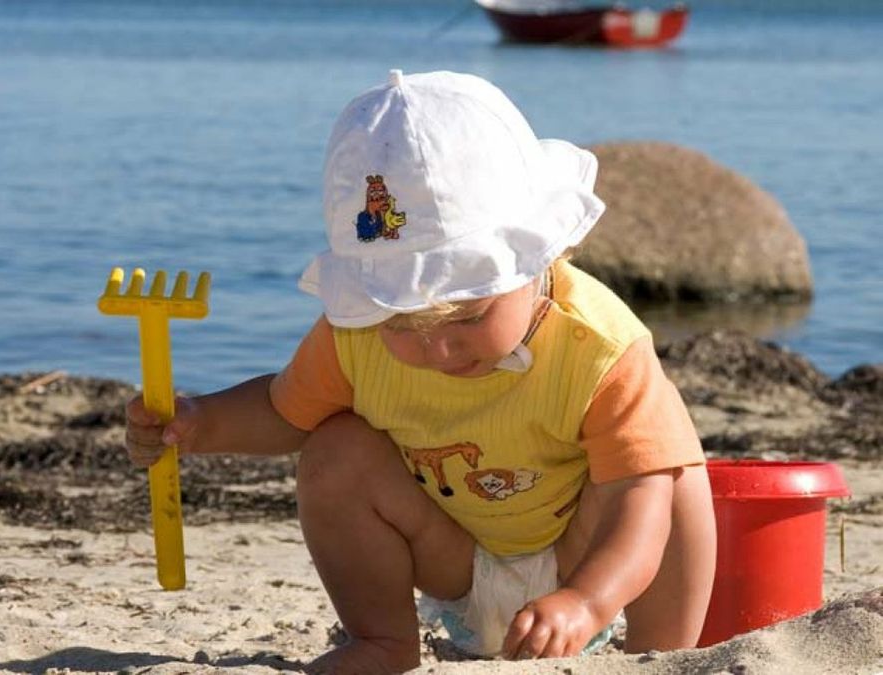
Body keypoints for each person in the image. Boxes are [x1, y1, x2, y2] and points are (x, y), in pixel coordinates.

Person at [125, 69, 716, 674]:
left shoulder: (600, 346)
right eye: (401, 326)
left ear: (541, 257)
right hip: (455, 560)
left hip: (589, 559)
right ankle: (383, 641)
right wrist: (198, 425)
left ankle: (661, 655)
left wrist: (588, 599)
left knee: (669, 469)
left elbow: (633, 501)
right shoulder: (355, 335)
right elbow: (283, 412)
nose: (439, 351)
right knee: (334, 449)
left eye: (470, 316)